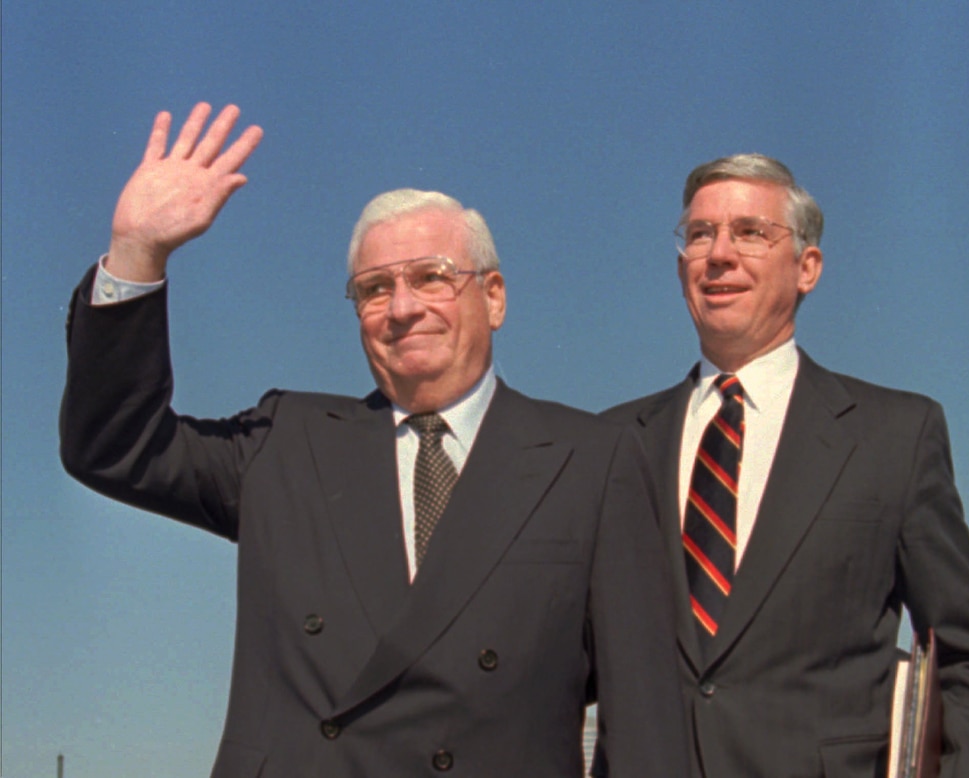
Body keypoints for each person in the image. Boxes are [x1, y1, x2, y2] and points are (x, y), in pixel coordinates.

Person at [59, 103, 687, 777]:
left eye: (432, 276)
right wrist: (137, 252)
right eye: (374, 289)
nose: (403, 307)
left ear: (494, 297)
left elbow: (642, 708)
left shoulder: (589, 457)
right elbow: (114, 446)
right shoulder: (287, 443)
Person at [602, 153, 969, 776]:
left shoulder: (893, 437)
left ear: (807, 268)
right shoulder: (610, 444)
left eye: (749, 232)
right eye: (699, 234)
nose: (718, 253)